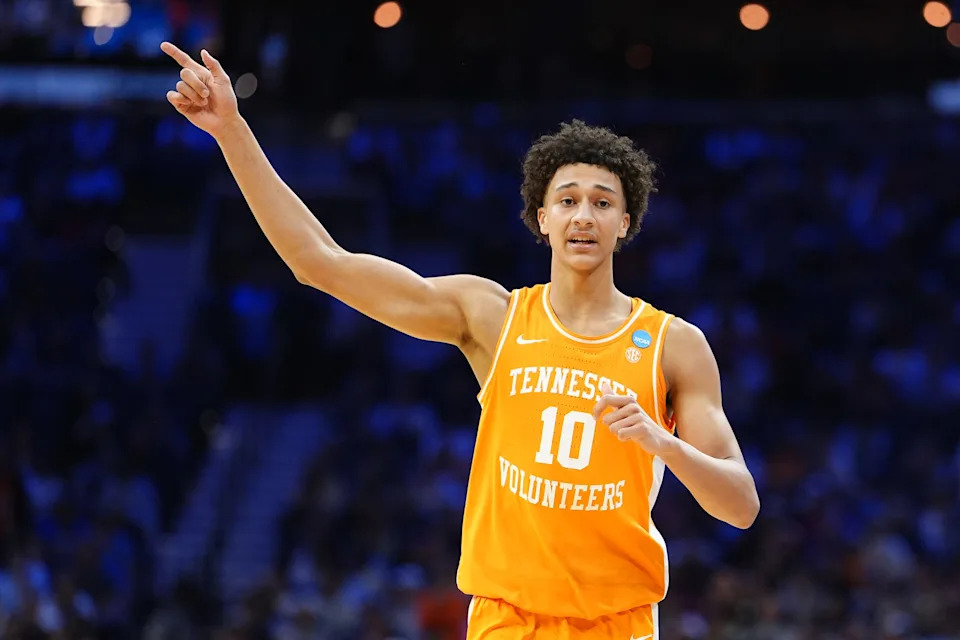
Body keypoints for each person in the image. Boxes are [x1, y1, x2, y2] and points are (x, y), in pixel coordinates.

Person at [161, 43, 760, 639]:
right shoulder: (491, 315)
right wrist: (232, 132)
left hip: (616, 625)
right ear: (541, 217)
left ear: (624, 224)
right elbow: (319, 262)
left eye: (603, 203)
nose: (584, 215)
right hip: (506, 621)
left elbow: (740, 505)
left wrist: (664, 442)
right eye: (568, 200)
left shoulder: (673, 344)